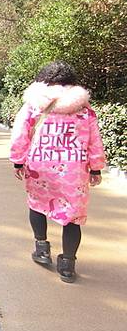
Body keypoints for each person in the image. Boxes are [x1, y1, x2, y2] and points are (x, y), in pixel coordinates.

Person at [10, 61, 106, 283]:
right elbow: (94, 141)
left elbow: (21, 133)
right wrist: (97, 168)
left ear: (44, 81)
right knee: (73, 216)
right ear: (71, 83)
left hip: (39, 165)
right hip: (74, 169)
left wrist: (17, 161)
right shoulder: (84, 109)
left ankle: (42, 250)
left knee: (37, 204)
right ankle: (67, 266)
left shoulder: (34, 105)